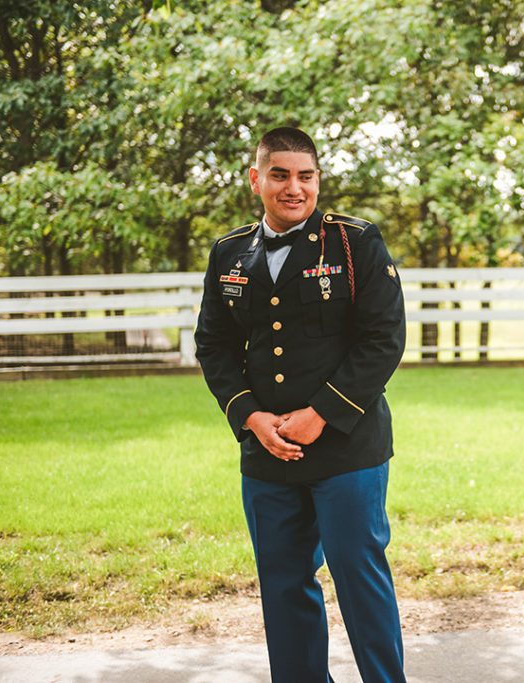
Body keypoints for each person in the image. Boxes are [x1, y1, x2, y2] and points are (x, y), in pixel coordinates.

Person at [194, 126, 407, 683]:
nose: (295, 188)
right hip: (266, 453)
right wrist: (247, 415)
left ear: (318, 180)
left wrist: (322, 413)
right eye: (281, 174)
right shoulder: (228, 254)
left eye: (306, 176)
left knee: (360, 583)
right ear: (256, 179)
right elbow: (213, 346)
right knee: (284, 587)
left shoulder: (355, 243)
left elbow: (384, 338)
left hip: (347, 449)